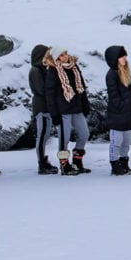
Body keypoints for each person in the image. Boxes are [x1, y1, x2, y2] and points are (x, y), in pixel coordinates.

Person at [45, 45, 92, 175]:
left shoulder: (74, 67)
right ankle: (64, 165)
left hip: (76, 108)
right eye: (61, 55)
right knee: (64, 139)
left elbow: (81, 87)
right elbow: (50, 94)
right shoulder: (53, 71)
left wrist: (85, 104)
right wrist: (54, 114)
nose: (65, 57)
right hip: (63, 110)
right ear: (56, 57)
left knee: (84, 134)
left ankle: (77, 162)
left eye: (65, 53)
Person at [105, 45, 131, 176]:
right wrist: (124, 106)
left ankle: (124, 163)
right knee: (116, 142)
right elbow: (113, 96)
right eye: (122, 56)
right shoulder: (111, 75)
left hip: (127, 115)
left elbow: (130, 92)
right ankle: (115, 166)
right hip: (117, 115)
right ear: (114, 59)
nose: (125, 58)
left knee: (127, 141)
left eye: (125, 56)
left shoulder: (125, 72)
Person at [29, 44, 59, 174]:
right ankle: (42, 163)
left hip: (46, 106)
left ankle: (43, 161)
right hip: (42, 106)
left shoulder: (43, 69)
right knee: (42, 136)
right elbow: (41, 90)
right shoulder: (36, 70)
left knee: (44, 135)